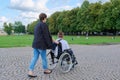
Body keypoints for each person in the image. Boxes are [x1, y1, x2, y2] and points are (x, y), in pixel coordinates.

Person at [28, 13, 57, 78]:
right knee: (44, 58)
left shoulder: (36, 25)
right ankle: (46, 70)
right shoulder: (44, 25)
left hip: (35, 44)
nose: (46, 19)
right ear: (44, 18)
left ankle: (30, 71)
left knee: (35, 57)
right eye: (46, 18)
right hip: (41, 45)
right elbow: (47, 36)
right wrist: (52, 44)